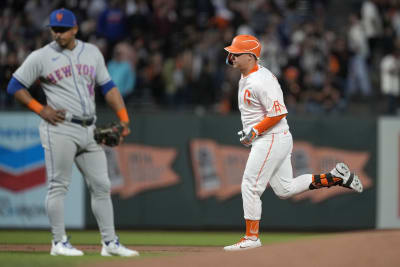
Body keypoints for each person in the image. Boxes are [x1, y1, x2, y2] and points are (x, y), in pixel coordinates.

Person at [6, 8, 138, 257]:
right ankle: (58, 242)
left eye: (63, 29)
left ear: (75, 29)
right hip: (60, 128)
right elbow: (14, 85)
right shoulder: (41, 56)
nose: (58, 34)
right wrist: (40, 108)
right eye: (54, 30)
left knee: (101, 185)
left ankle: (110, 243)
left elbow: (108, 87)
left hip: (89, 129)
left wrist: (124, 118)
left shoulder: (91, 52)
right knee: (58, 186)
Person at [222, 35, 363, 251]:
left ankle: (251, 238)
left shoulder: (262, 80)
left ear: (250, 57)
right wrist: (253, 132)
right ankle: (335, 177)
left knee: (250, 185)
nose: (230, 56)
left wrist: (254, 131)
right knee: (285, 189)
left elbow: (279, 112)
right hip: (271, 137)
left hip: (271, 137)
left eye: (235, 53)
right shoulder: (247, 76)